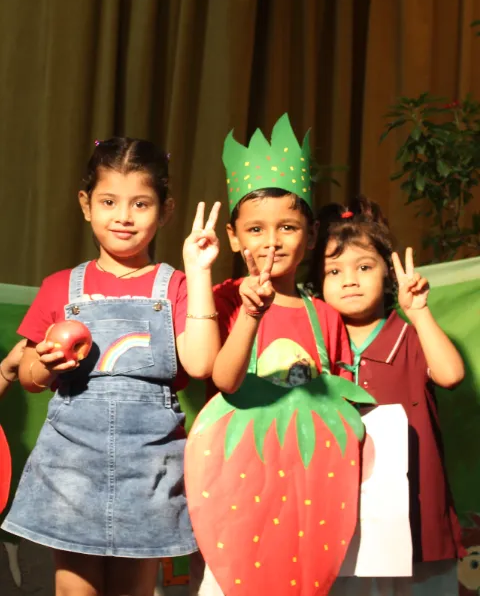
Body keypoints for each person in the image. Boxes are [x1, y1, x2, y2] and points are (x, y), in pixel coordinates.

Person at [1, 137, 221, 596]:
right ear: (86, 205)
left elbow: (201, 364)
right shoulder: (60, 286)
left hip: (149, 468)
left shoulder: (178, 285)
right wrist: (45, 363)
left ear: (165, 211)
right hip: (73, 465)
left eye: (140, 203)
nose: (124, 216)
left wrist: (199, 271)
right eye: (108, 201)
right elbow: (29, 379)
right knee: (74, 591)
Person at [192, 115, 354, 595]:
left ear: (310, 235)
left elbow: (340, 406)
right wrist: (250, 314)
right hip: (236, 488)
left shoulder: (325, 316)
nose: (271, 242)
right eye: (256, 229)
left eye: (287, 227)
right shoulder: (223, 300)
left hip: (308, 494)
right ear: (234, 236)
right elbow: (225, 380)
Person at [308, 196, 465, 595]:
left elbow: (451, 375)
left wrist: (420, 311)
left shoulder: (410, 336)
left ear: (388, 274)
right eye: (334, 271)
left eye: (364, 267)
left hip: (416, 519)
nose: (350, 280)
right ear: (317, 283)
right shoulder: (313, 346)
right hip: (339, 520)